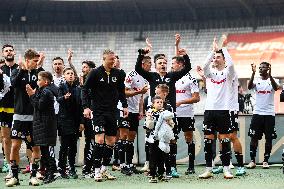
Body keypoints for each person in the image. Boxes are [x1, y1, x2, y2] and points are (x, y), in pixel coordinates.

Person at [82, 49, 128, 182]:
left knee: (111, 142)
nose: (113, 61)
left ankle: (103, 168)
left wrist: (124, 105)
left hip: (112, 111)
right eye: (111, 59)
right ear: (104, 59)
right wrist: (86, 107)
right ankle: (96, 171)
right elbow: (85, 89)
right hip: (98, 111)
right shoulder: (95, 72)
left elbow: (121, 91)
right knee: (100, 140)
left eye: (114, 59)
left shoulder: (118, 73)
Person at [198, 36, 236, 179]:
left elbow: (231, 65)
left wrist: (223, 48)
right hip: (209, 111)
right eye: (214, 57)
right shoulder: (209, 73)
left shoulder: (228, 73)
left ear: (224, 59)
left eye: (218, 57)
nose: (215, 59)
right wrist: (212, 51)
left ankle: (226, 169)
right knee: (208, 140)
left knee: (224, 140)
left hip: (223, 110)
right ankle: (209, 169)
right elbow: (204, 65)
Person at [6, 49, 44, 186]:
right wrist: (22, 70)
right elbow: (14, 84)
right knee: (15, 146)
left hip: (34, 117)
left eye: (37, 61)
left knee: (36, 147)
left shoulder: (38, 73)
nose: (36, 63)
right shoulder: (17, 71)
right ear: (27, 60)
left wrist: (35, 92)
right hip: (19, 116)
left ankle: (33, 175)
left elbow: (45, 86)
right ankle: (14, 176)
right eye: (34, 61)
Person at [119, 56, 150, 175]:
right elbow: (124, 92)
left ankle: (130, 164)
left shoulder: (145, 78)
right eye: (149, 63)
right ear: (143, 64)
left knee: (131, 137)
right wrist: (138, 92)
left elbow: (141, 96)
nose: (150, 66)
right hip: (125, 109)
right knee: (124, 136)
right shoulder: (131, 75)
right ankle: (122, 165)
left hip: (135, 111)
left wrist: (141, 110)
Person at [246, 62, 280, 169]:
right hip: (257, 113)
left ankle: (265, 161)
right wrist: (253, 73)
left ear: (268, 68)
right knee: (254, 138)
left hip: (269, 114)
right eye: (259, 68)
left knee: (268, 138)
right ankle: (252, 161)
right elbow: (249, 86)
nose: (260, 69)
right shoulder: (256, 80)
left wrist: (270, 75)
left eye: (263, 67)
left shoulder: (273, 80)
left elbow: (276, 88)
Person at [26, 71, 58, 184]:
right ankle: (48, 173)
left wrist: (31, 95)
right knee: (44, 151)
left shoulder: (46, 92)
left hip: (46, 125)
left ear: (46, 81)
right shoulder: (43, 90)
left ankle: (52, 173)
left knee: (47, 151)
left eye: (39, 80)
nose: (37, 81)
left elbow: (39, 105)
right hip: (42, 124)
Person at [171, 56, 200, 175]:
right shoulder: (171, 77)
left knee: (188, 138)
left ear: (181, 64)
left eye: (173, 63)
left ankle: (191, 166)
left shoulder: (191, 78)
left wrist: (181, 102)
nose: (171, 65)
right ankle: (173, 167)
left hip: (186, 113)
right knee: (172, 139)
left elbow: (197, 98)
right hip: (172, 114)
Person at [57, 67, 84, 179]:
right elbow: (58, 99)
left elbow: (81, 106)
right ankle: (62, 168)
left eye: (72, 73)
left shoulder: (78, 89)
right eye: (68, 73)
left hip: (75, 121)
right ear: (64, 76)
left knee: (73, 146)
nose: (70, 75)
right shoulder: (61, 87)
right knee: (64, 146)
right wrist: (64, 97)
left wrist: (81, 122)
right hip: (64, 120)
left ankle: (72, 167)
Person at [145, 95, 172, 183]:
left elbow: (172, 124)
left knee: (162, 156)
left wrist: (170, 123)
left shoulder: (166, 113)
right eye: (157, 102)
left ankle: (161, 173)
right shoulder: (150, 112)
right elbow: (148, 126)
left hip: (162, 138)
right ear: (153, 104)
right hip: (153, 138)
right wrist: (150, 119)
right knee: (153, 156)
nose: (160, 104)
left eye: (161, 102)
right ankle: (152, 175)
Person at [0, 45, 17, 179]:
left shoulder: (20, 69)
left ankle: (32, 165)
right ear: (3, 53)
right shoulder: (0, 70)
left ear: (14, 52)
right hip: (4, 109)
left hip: (20, 109)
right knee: (6, 139)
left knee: (26, 138)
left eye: (10, 50)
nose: (9, 52)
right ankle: (9, 166)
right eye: (6, 50)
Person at [79, 60, 96, 177]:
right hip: (85, 117)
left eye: (85, 67)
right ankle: (87, 167)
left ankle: (93, 167)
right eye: (83, 67)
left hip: (95, 115)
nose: (83, 69)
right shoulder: (81, 85)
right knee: (90, 141)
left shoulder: (96, 83)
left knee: (95, 141)